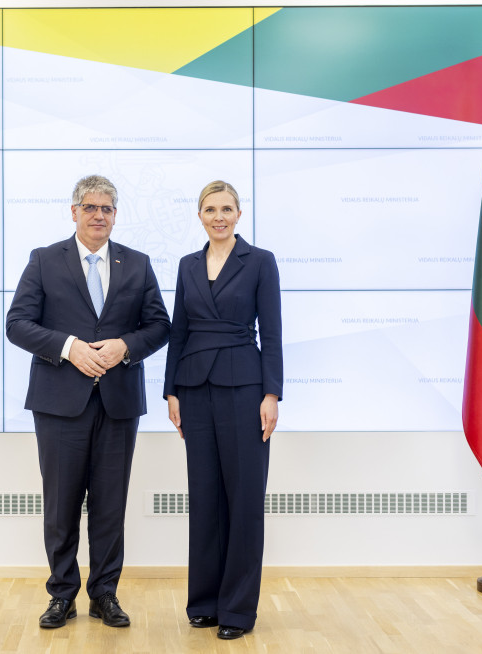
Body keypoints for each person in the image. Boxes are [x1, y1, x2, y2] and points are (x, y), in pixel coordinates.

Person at [6, 174, 170, 630]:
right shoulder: (43, 260)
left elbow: (159, 325)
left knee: (110, 505)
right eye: (92, 207)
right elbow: (17, 323)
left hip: (117, 403)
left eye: (108, 208)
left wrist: (125, 347)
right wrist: (68, 347)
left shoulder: (137, 263)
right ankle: (62, 596)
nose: (100, 215)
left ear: (116, 215)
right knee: (60, 506)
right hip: (60, 404)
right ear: (74, 211)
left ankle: (105, 594)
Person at [163, 180, 282, 640]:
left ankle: (237, 611)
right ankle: (205, 603)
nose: (219, 216)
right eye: (210, 209)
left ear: (238, 214)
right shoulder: (187, 264)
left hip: (245, 388)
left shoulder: (260, 261)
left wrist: (271, 394)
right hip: (194, 389)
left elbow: (271, 332)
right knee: (206, 498)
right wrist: (172, 391)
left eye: (227, 208)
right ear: (199, 215)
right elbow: (179, 331)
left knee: (245, 499)